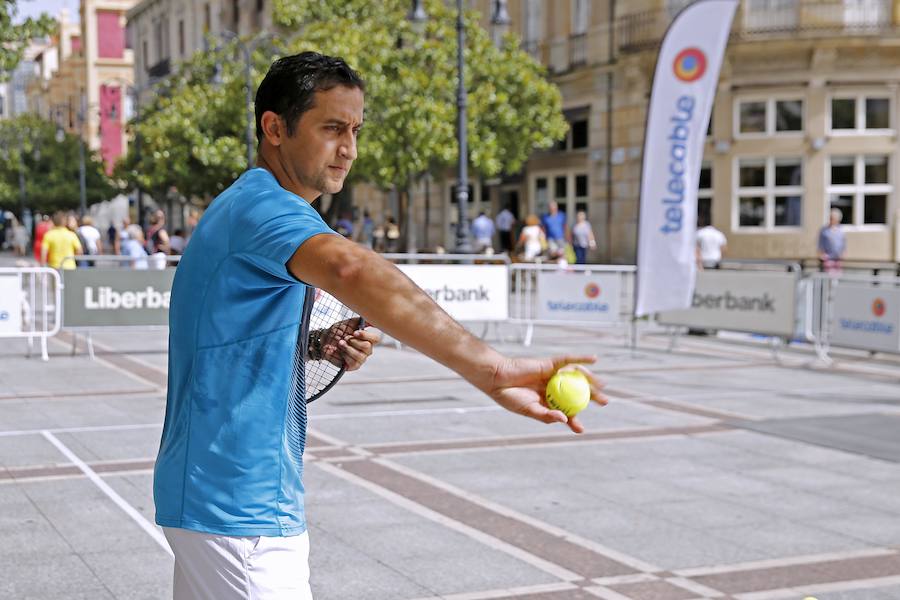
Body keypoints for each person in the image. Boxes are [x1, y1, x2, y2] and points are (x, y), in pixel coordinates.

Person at [153, 52, 606, 600]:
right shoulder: (264, 207)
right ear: (274, 127)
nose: (349, 148)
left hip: (214, 494)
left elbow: (225, 341)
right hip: (239, 507)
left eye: (355, 129)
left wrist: (317, 345)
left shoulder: (246, 206)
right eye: (331, 128)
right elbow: (352, 268)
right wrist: (492, 369)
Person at [818, 208, 846, 275]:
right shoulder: (824, 230)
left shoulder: (841, 230)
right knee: (828, 276)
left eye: (833, 218)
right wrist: (821, 254)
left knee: (837, 276)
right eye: (830, 218)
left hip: (838, 258)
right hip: (828, 258)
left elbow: (843, 244)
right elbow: (820, 244)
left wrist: (843, 255)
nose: (831, 219)